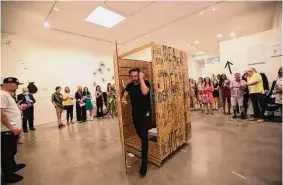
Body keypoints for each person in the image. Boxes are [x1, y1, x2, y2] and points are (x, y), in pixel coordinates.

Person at [122, 68, 151, 177]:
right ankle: (145, 143)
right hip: (136, 115)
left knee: (143, 136)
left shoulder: (146, 83)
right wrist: (123, 99)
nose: (134, 78)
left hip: (146, 114)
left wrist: (142, 79)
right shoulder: (129, 86)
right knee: (140, 134)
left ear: (139, 75)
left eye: (136, 76)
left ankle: (144, 162)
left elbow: (145, 92)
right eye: (132, 76)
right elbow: (124, 96)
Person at [1, 77, 26, 183]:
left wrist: (18, 108)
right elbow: (1, 114)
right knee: (7, 153)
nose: (17, 86)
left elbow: (8, 109)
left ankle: (12, 166)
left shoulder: (7, 94)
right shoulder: (2, 95)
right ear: (10, 84)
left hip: (12, 130)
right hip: (6, 130)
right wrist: (11, 128)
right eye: (17, 84)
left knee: (12, 150)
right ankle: (8, 175)